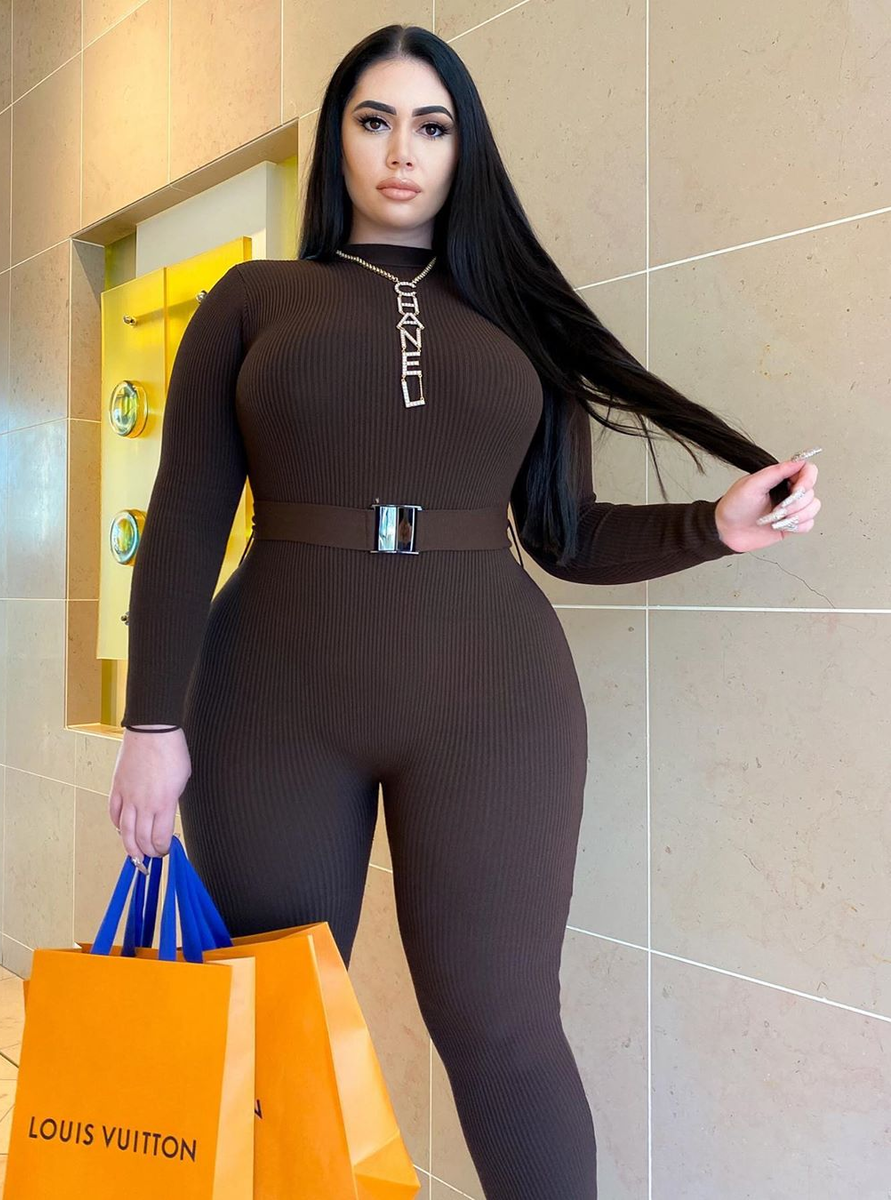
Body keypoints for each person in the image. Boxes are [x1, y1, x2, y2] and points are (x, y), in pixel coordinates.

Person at [107, 23, 822, 1199]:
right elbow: (184, 522)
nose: (402, 152)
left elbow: (565, 534)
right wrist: (150, 724)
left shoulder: (520, 317)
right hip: (271, 700)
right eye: (374, 120)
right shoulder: (252, 300)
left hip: (494, 700)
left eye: (431, 126)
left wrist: (716, 525)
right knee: (275, 1029)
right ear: (338, 138)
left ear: (464, 146)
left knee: (505, 1030)